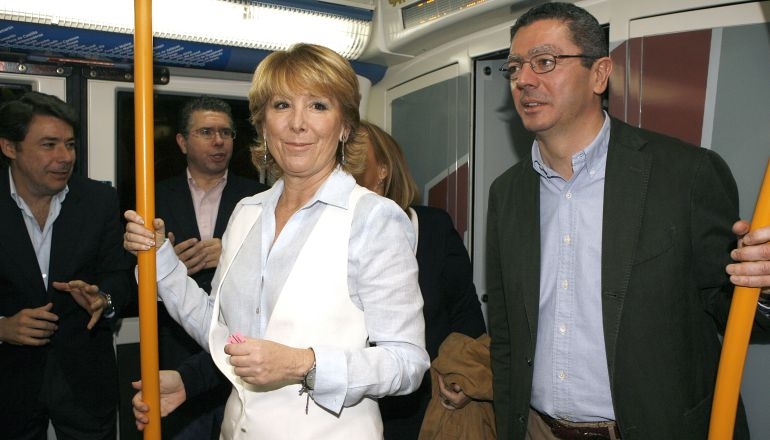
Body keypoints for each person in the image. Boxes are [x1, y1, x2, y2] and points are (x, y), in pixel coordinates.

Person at [486, 3, 770, 439]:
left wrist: (764, 286)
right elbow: (506, 336)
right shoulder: (506, 194)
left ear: (599, 74)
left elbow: (732, 308)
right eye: (514, 68)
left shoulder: (686, 175)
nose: (524, 79)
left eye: (544, 62)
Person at [124, 43, 430, 439]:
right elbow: (223, 331)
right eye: (282, 106)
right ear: (262, 124)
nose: (297, 124)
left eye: (318, 105)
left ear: (345, 126)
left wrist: (303, 364)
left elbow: (407, 363)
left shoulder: (373, 218)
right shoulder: (247, 212)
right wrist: (159, 259)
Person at [0, 91, 132, 439]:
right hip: (8, 384)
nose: (64, 157)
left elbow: (120, 275)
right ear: (9, 147)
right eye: (49, 145)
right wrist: (1, 328)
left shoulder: (98, 200)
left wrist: (103, 299)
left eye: (70, 145)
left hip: (85, 379)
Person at [353, 120, 486, 439]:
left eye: (355, 158)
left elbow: (466, 318)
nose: (344, 169)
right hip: (346, 409)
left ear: (382, 169)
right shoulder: (324, 235)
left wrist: (465, 380)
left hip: (423, 410)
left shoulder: (432, 230)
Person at [153, 96, 270, 439]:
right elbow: (132, 280)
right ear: (182, 141)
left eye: (226, 132)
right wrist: (166, 266)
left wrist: (233, 253)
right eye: (206, 132)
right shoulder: (153, 197)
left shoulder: (260, 198)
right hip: (178, 350)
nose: (219, 141)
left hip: (243, 349)